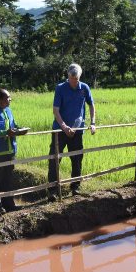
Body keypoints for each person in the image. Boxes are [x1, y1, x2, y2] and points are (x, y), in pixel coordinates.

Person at [48, 63, 96, 200]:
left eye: (76, 79)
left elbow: (91, 105)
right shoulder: (60, 88)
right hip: (60, 130)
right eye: (71, 79)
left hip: (77, 131)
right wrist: (64, 127)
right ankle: (52, 190)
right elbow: (55, 110)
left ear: (79, 77)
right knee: (55, 159)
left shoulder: (84, 88)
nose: (74, 81)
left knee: (77, 158)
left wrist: (93, 123)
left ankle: (75, 187)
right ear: (68, 76)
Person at [0, 87, 26, 215]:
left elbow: (13, 125)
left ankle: (9, 205)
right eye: (8, 97)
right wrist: (5, 132)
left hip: (10, 150)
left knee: (7, 179)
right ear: (0, 100)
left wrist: (20, 129)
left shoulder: (8, 111)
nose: (10, 99)